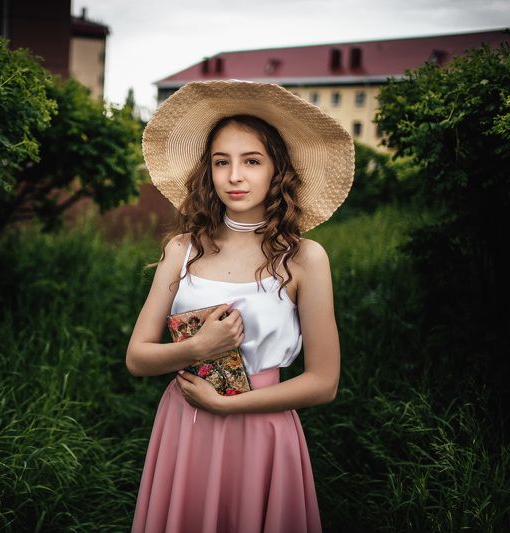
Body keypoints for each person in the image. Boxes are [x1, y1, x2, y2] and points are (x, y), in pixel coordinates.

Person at [125, 80, 355, 533]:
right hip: (185, 421)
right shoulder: (182, 249)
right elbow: (137, 358)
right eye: (221, 162)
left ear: (277, 170)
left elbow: (324, 382)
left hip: (262, 429)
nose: (234, 176)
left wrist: (230, 406)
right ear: (207, 171)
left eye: (252, 161)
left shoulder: (304, 258)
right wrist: (197, 348)